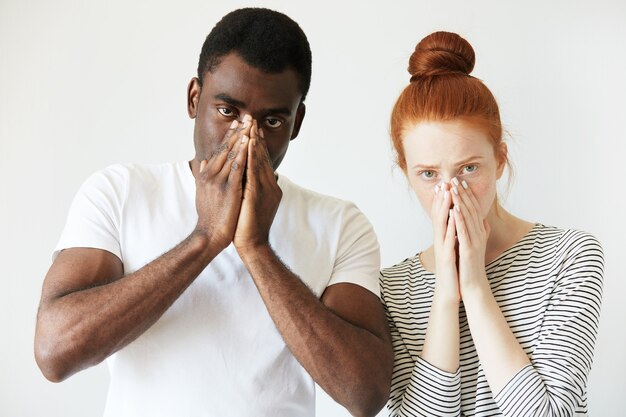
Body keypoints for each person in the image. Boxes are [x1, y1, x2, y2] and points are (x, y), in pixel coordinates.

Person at [34, 8, 393, 417]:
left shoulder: (341, 224)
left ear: (296, 123)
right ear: (194, 98)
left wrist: (255, 249)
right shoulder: (119, 192)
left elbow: (365, 394)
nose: (246, 137)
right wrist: (204, 239)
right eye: (227, 111)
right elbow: (53, 352)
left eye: (272, 120)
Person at [379, 31, 604, 416]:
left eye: (469, 168)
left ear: (499, 159)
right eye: (428, 174)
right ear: (406, 171)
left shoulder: (569, 256)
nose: (450, 191)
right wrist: (447, 295)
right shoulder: (393, 288)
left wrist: (475, 286)